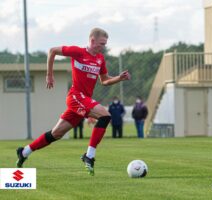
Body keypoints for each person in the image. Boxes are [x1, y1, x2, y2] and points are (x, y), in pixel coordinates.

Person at [16, 28, 131, 176]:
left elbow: (104, 80)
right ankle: (89, 156)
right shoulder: (78, 52)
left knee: (56, 134)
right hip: (76, 96)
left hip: (84, 100)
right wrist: (49, 75)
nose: (103, 46)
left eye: (105, 44)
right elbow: (52, 51)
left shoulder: (100, 58)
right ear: (92, 40)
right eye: (101, 43)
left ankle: (24, 152)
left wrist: (119, 78)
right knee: (105, 116)